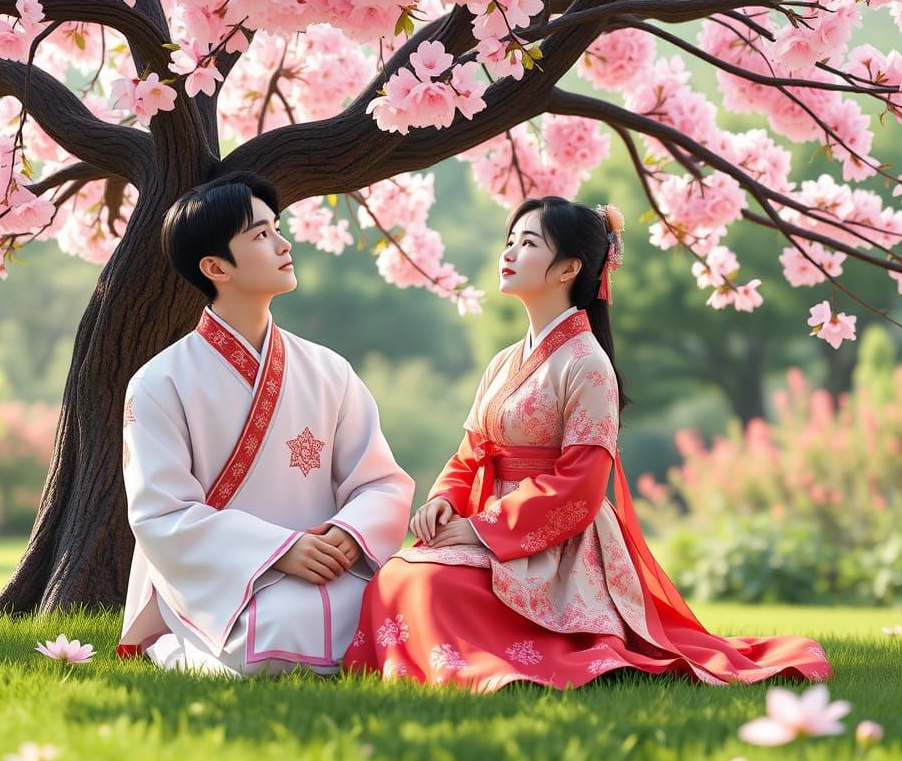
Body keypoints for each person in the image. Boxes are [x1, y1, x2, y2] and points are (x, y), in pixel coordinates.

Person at [343, 196, 830, 690]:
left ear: (569, 268)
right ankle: (459, 661)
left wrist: (483, 530)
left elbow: (580, 486)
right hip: (493, 529)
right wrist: (445, 501)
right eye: (509, 241)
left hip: (559, 545)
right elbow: (471, 452)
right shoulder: (503, 362)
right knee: (401, 571)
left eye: (528, 243)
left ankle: (494, 665)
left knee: (426, 582)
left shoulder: (587, 365)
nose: (508, 252)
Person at [116, 171, 414, 676]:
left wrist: (349, 533)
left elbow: (380, 481)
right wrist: (278, 551)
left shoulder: (328, 369)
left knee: (410, 603)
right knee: (277, 635)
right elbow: (160, 516)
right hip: (224, 580)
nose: (283, 242)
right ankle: (171, 643)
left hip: (330, 565)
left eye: (277, 228)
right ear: (215, 267)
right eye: (260, 235)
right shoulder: (158, 383)